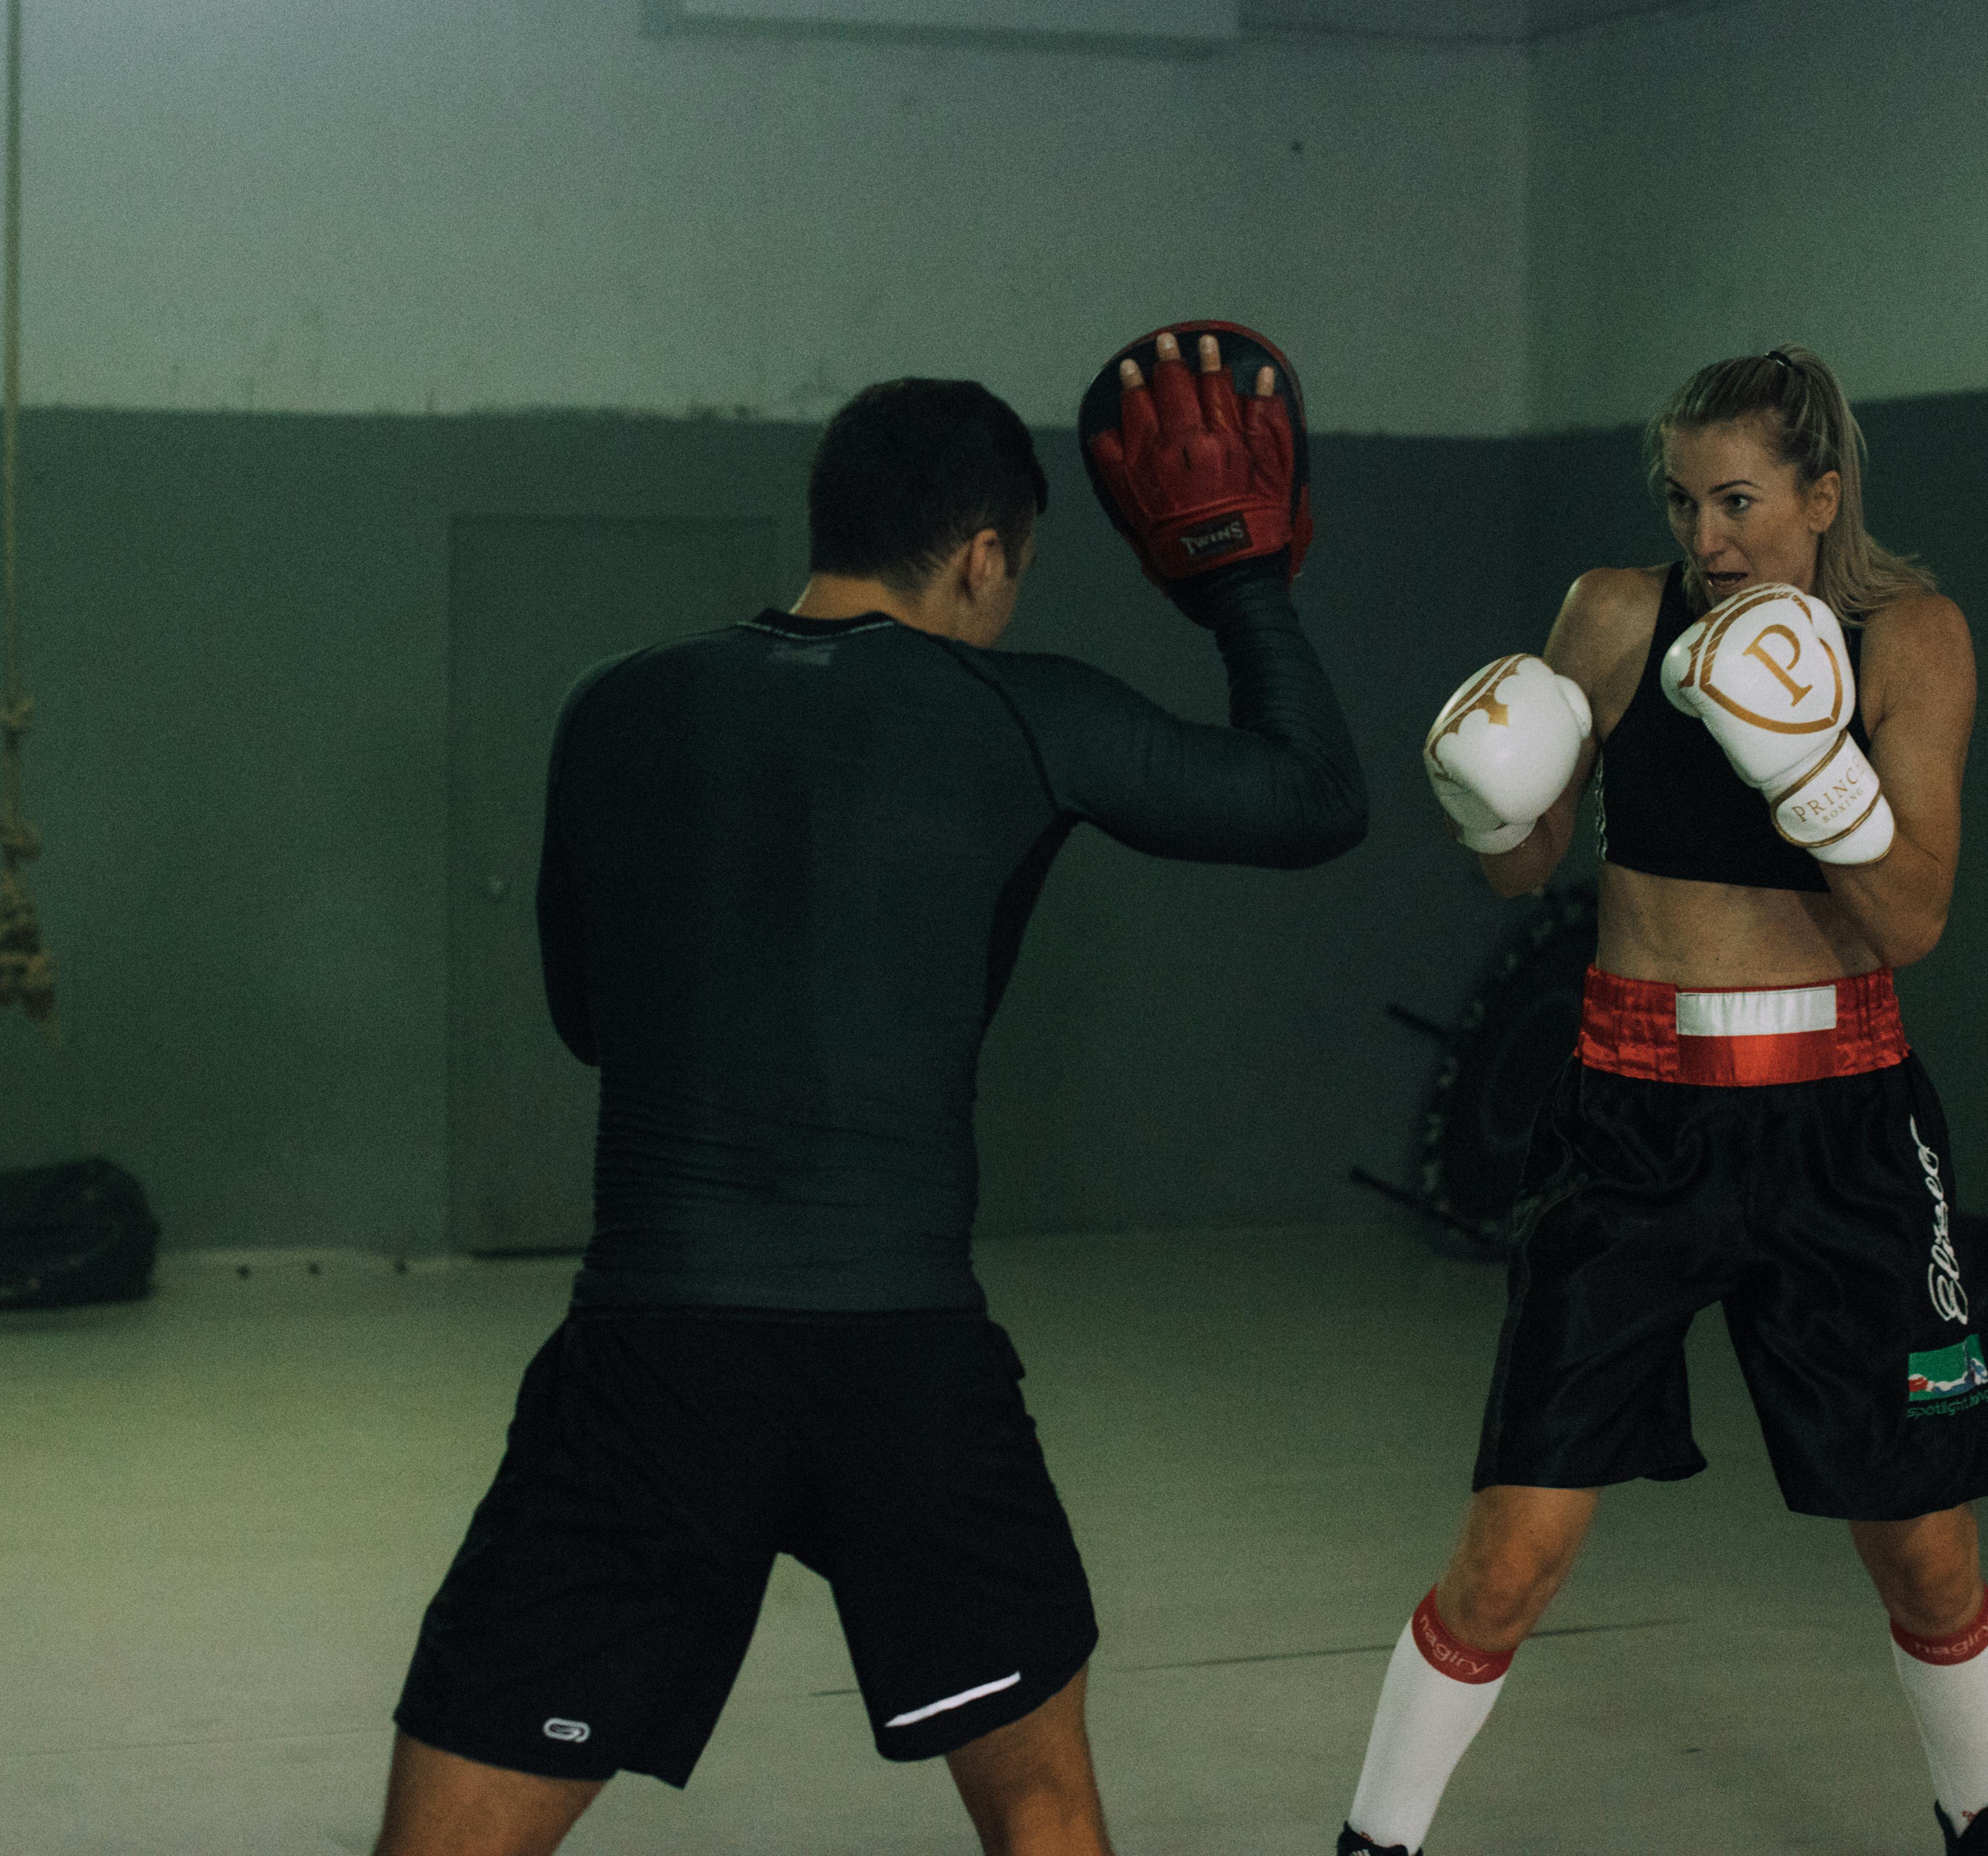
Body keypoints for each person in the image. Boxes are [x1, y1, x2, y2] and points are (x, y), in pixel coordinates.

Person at [376, 336, 1366, 1856]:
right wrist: (1238, 581)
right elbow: (1312, 799)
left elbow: (588, 1022)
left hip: (653, 1358)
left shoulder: (615, 705)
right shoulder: (1027, 714)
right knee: (1042, 1813)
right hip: (905, 1362)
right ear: (982, 556)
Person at [1363, 345, 1988, 1854]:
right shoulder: (1614, 610)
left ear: (1822, 495)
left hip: (1841, 1124)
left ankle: (1986, 1826)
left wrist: (1813, 775)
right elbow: (1519, 871)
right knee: (1511, 1548)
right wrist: (1491, 798)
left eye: (1738, 502)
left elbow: (1913, 915)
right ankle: (1371, 1847)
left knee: (1923, 1550)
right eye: (1683, 500)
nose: (1706, 539)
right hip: (1632, 1126)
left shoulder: (1912, 638)